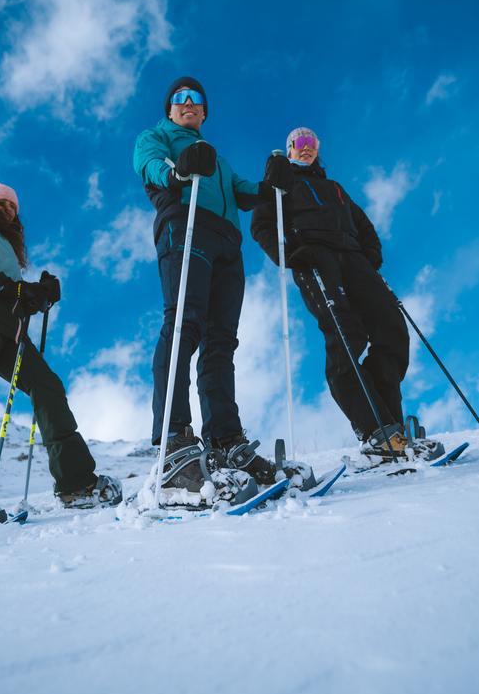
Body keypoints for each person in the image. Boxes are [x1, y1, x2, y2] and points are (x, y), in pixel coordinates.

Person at [133, 77, 315, 497]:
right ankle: (175, 441)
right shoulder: (156, 137)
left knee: (220, 343)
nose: (189, 103)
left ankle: (225, 441)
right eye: (180, 98)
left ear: (204, 111)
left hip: (227, 243)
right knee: (184, 324)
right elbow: (150, 165)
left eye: (196, 99)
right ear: (170, 108)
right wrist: (177, 170)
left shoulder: (218, 160)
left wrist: (273, 187)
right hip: (185, 224)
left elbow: (246, 192)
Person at [0, 182, 122, 528]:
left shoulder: (6, 246)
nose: (7, 209)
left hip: (9, 331)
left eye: (11, 206)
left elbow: (12, 291)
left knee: (47, 386)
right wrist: (21, 289)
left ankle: (76, 483)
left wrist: (39, 294)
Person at [251, 127, 444, 462]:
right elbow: (261, 224)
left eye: (312, 143)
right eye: (300, 143)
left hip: (353, 259)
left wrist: (369, 256)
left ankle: (391, 428)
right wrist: (288, 254)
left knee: (391, 329)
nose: (307, 148)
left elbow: (363, 224)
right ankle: (375, 431)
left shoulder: (336, 188)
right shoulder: (280, 184)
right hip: (315, 258)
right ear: (290, 149)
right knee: (345, 334)